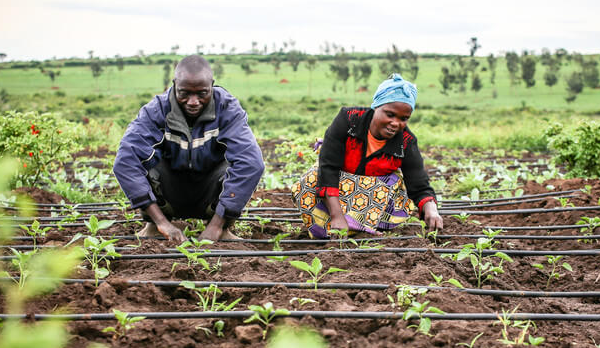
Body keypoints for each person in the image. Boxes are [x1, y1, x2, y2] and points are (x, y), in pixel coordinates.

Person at [113, 55, 264, 243]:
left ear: (212, 86)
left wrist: (216, 226)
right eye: (184, 93)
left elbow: (252, 163)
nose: (193, 101)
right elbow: (125, 161)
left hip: (210, 194)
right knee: (142, 162)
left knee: (239, 164)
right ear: (175, 85)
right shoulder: (157, 110)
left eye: (202, 93)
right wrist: (161, 222)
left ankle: (222, 228)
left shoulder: (227, 109)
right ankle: (154, 226)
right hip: (168, 193)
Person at [292, 73, 442, 238]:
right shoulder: (348, 120)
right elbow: (328, 167)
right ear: (376, 106)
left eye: (404, 118)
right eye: (390, 114)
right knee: (310, 179)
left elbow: (418, 182)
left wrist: (431, 209)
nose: (395, 123)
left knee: (393, 183)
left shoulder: (406, 141)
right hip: (336, 190)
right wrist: (337, 216)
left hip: (373, 201)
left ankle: (360, 229)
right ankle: (334, 226)